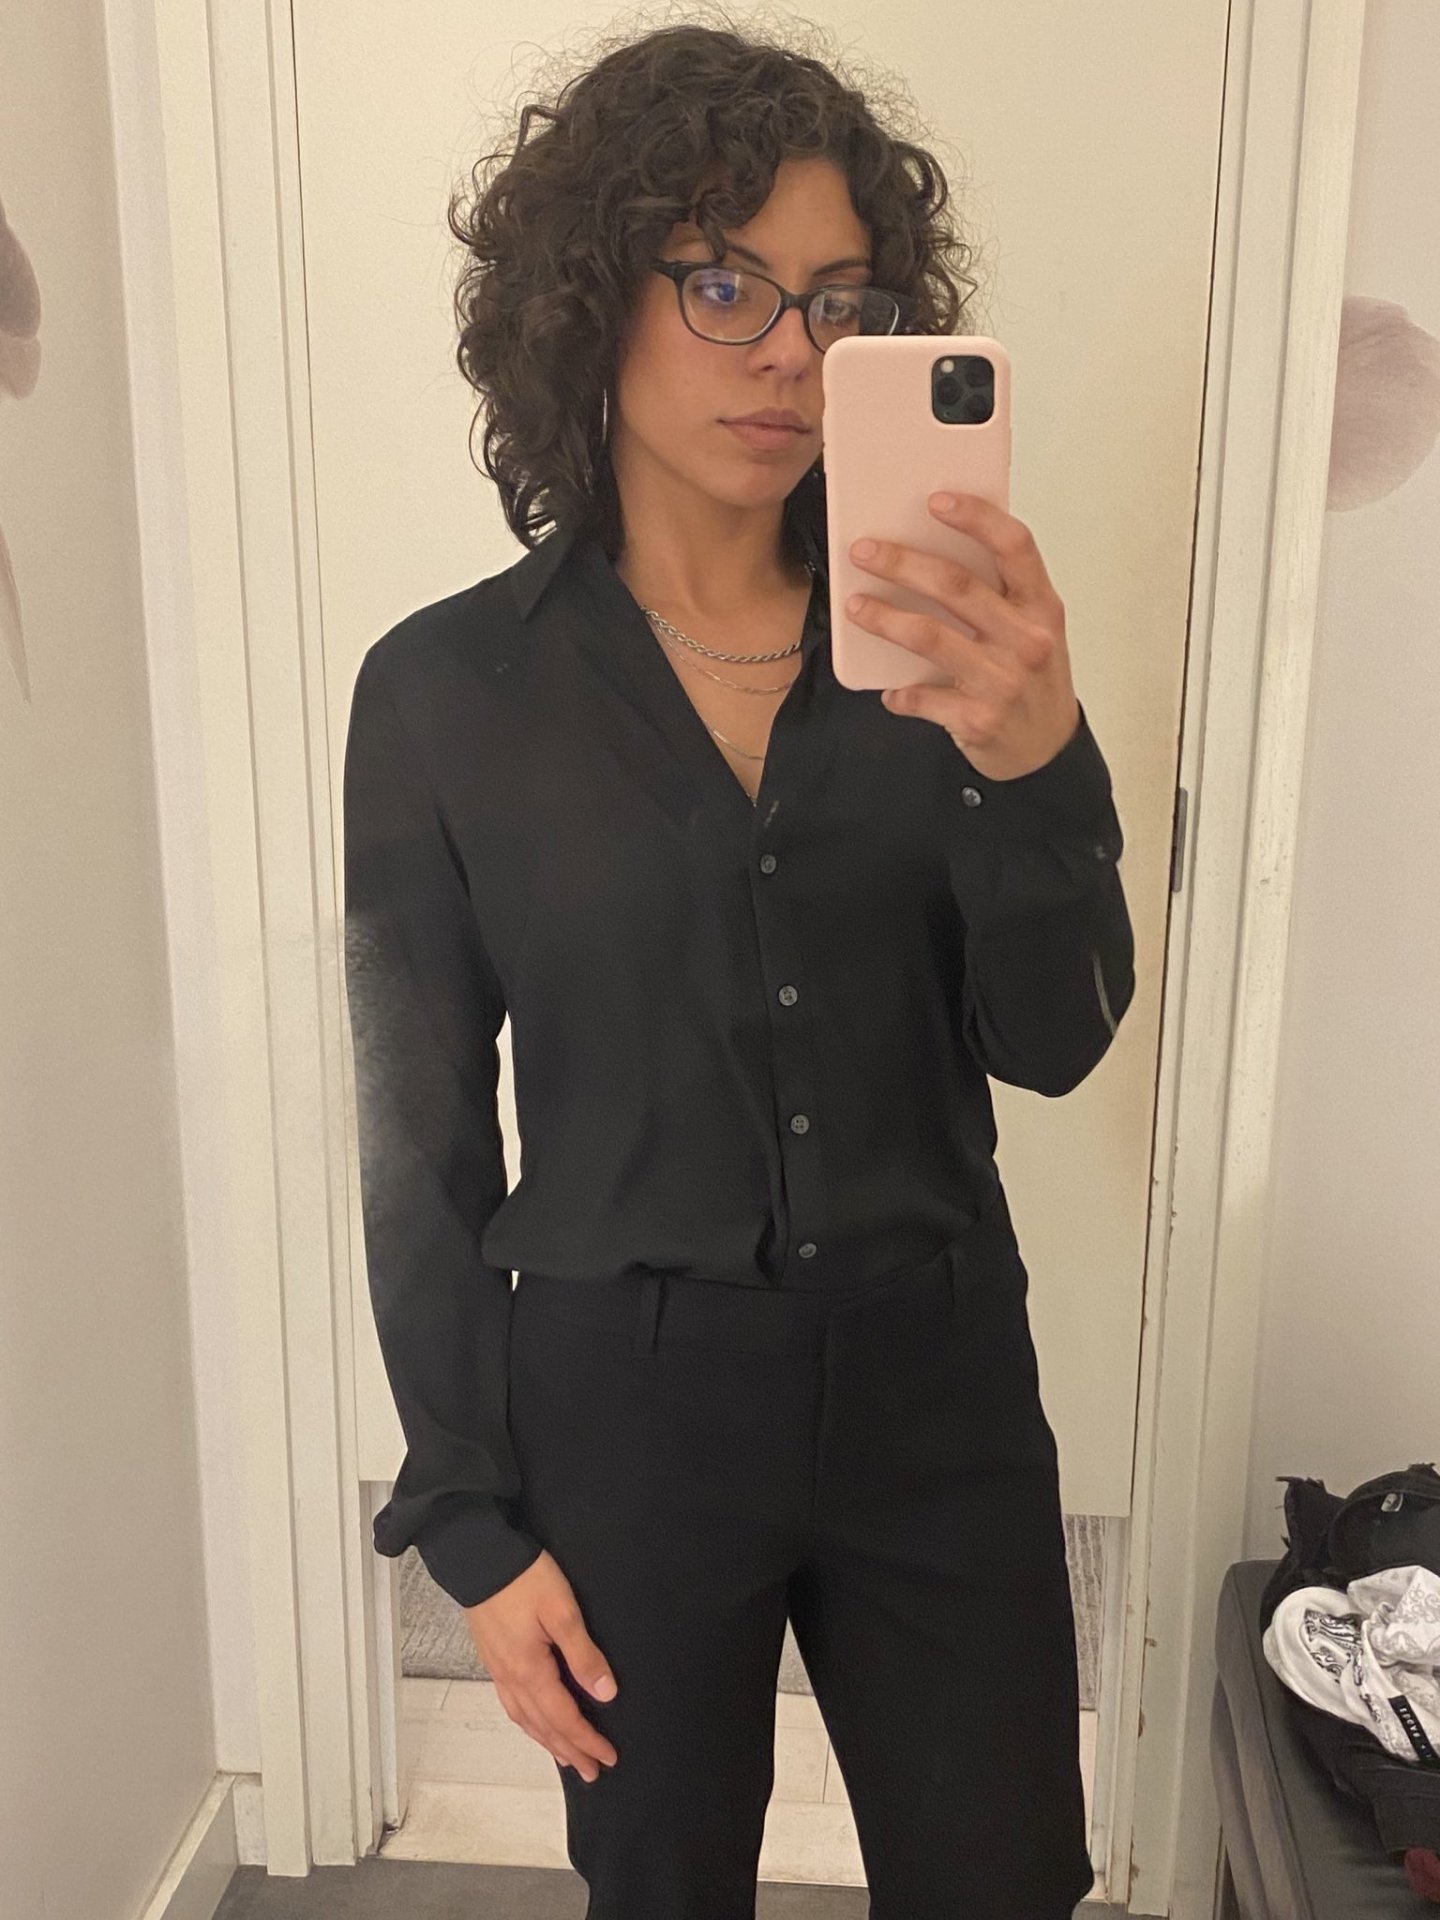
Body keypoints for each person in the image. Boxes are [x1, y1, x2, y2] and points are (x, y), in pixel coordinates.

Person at [342, 18, 1135, 1918]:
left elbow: (1056, 1041)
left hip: (939, 1386)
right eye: (724, 284)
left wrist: (1038, 765)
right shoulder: (447, 692)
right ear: (589, 300)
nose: (790, 350)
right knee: (664, 1886)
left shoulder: (961, 654)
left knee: (1007, 1881)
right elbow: (416, 1132)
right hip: (624, 1410)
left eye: (839, 301)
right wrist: (467, 1515)